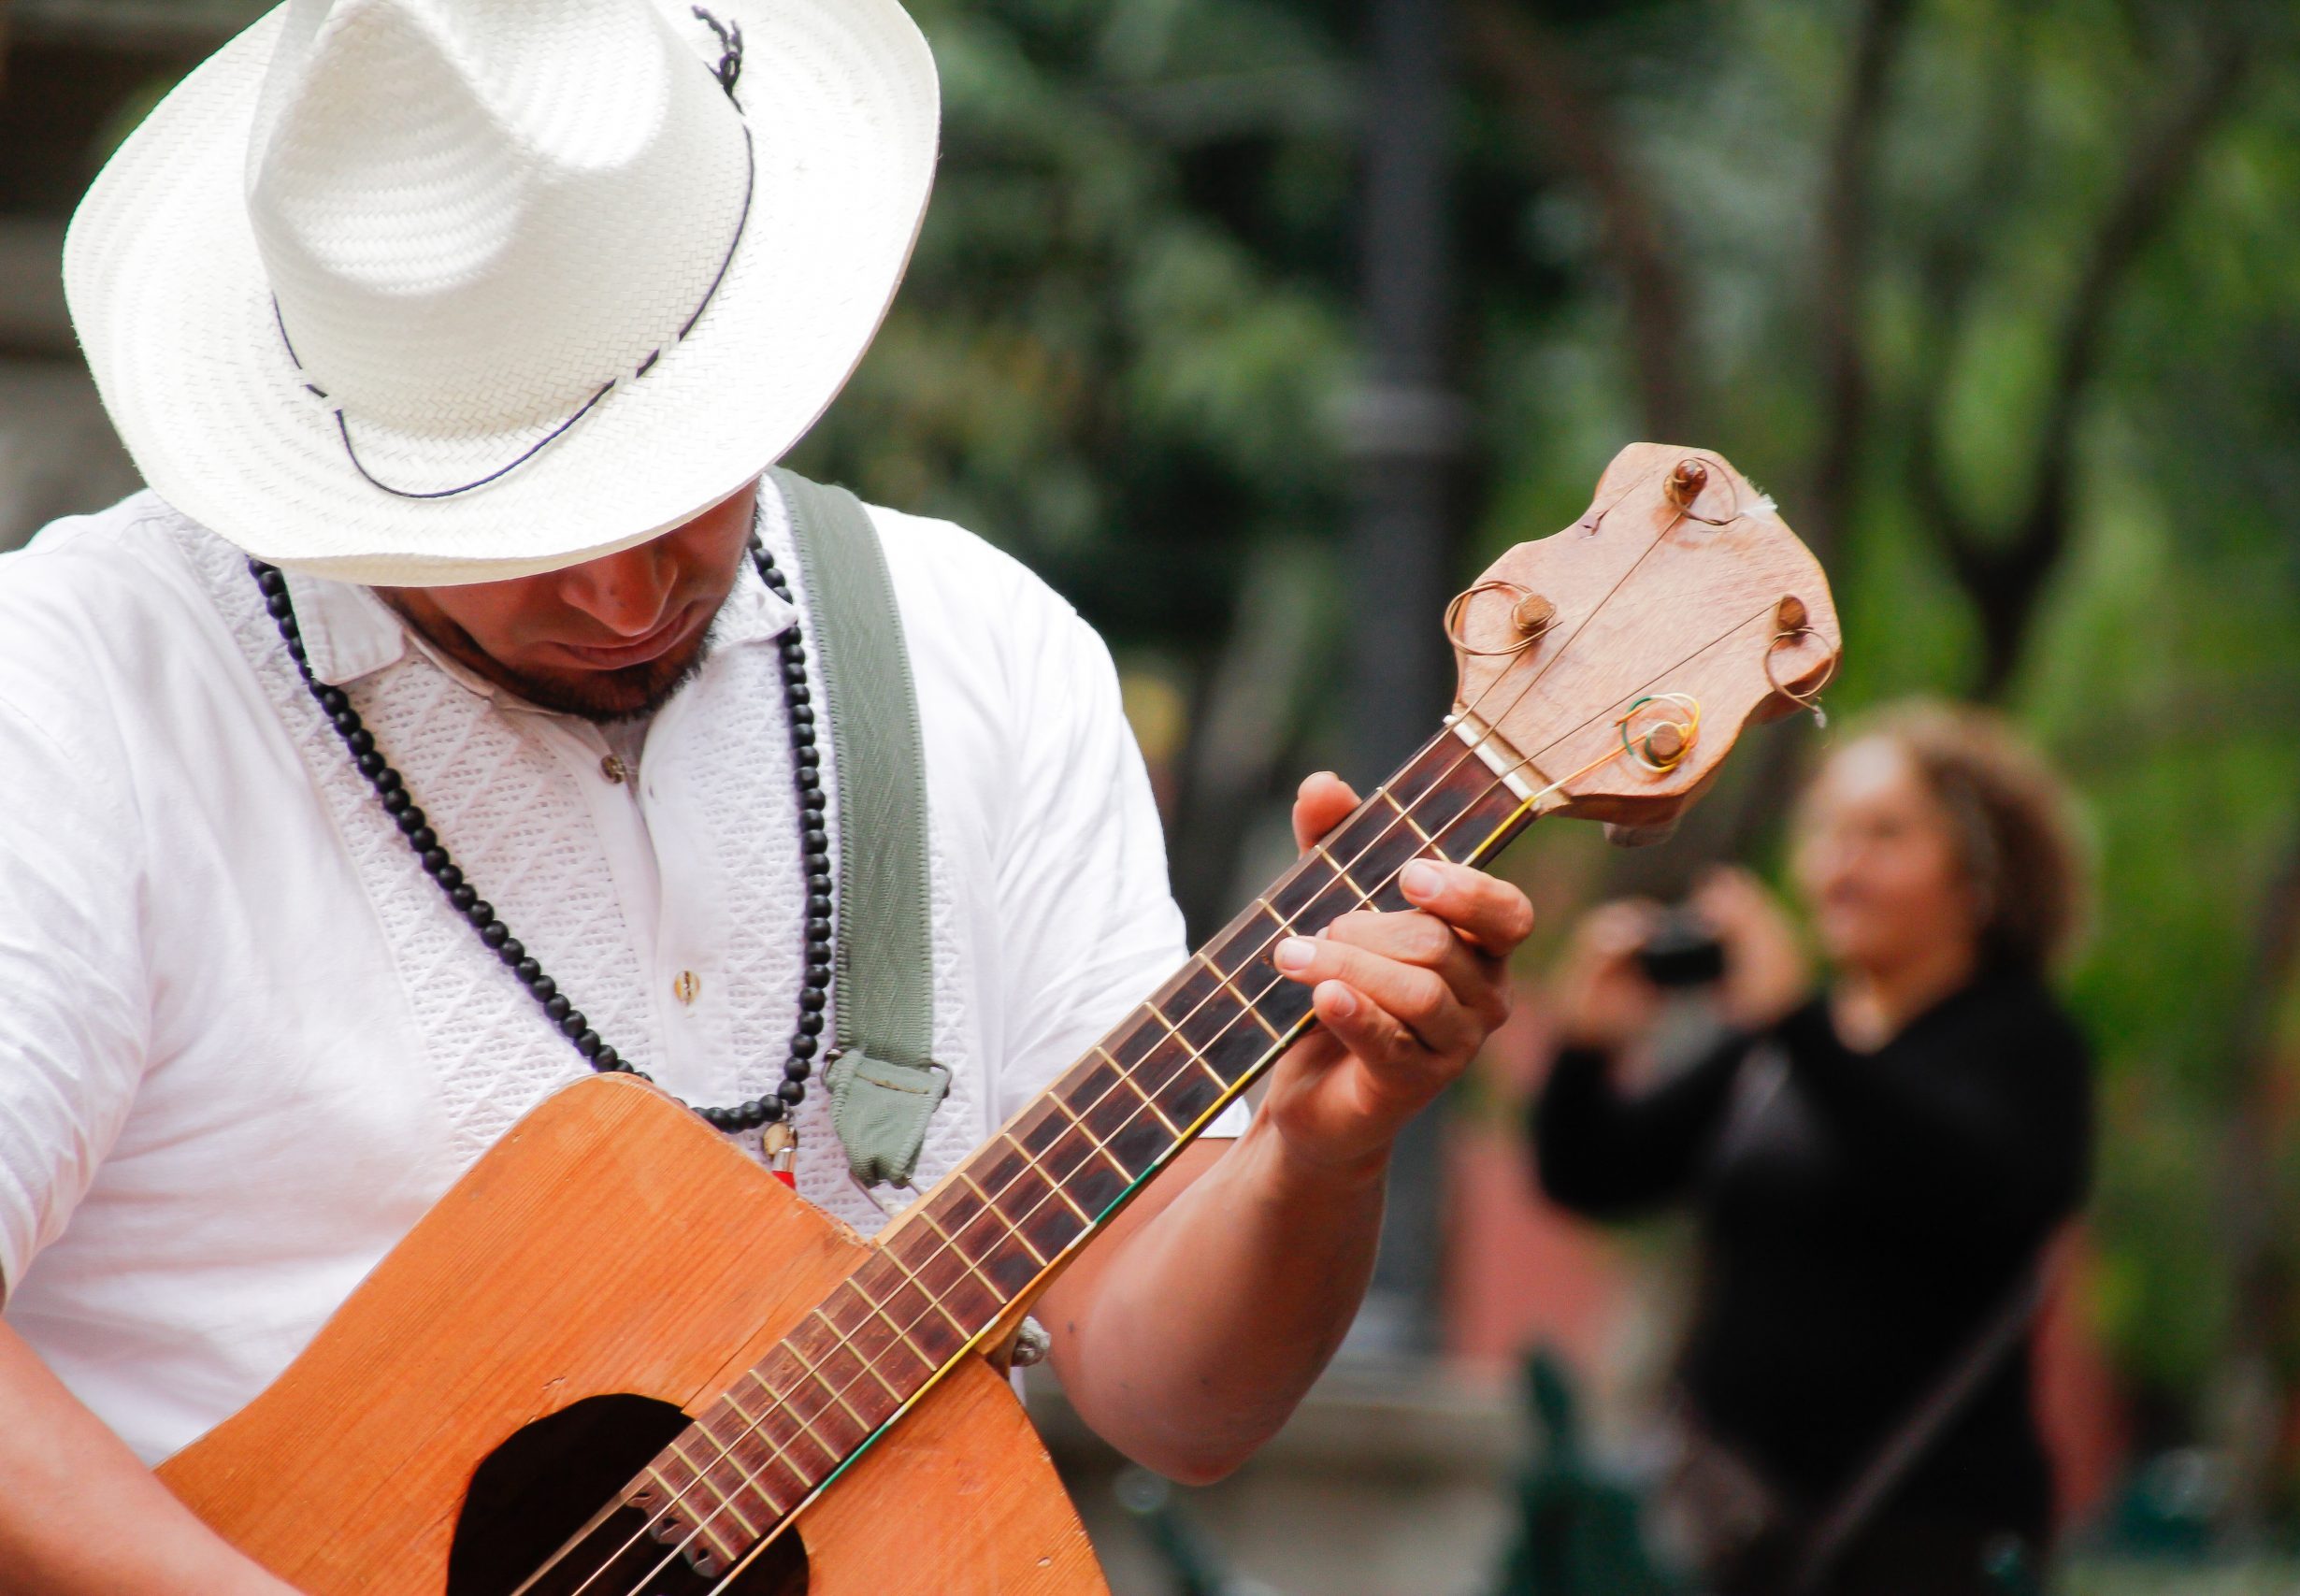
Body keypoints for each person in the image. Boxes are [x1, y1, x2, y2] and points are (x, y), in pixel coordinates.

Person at [0, 1, 1534, 1589]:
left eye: (674, 477)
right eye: (513, 522)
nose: (622, 588)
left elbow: (1177, 1405)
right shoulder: (80, 691)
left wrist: (1318, 1159)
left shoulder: (984, 661)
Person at [1533, 702, 2093, 1596]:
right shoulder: (1786, 1046)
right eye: (1827, 830)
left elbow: (1962, 1189)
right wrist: (1582, 1049)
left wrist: (1794, 1022)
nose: (1838, 865)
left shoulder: (2023, 1043)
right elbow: (1593, 1175)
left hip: (1926, 1540)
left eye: (1883, 835)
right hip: (1737, 1534)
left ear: (1979, 880)